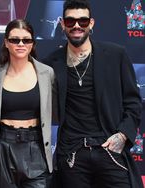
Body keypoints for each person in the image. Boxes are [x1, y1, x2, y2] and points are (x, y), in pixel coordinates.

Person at [42, 0, 143, 187]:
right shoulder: (51, 63)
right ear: (62, 24)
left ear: (91, 23)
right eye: (70, 21)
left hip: (109, 149)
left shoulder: (115, 55)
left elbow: (134, 102)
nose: (77, 26)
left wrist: (122, 136)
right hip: (72, 154)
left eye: (83, 21)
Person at [0, 19, 55, 188]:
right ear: (6, 43)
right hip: (3, 146)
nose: (21, 44)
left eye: (26, 40)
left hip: (36, 146)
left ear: (32, 44)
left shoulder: (46, 73)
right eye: (15, 40)